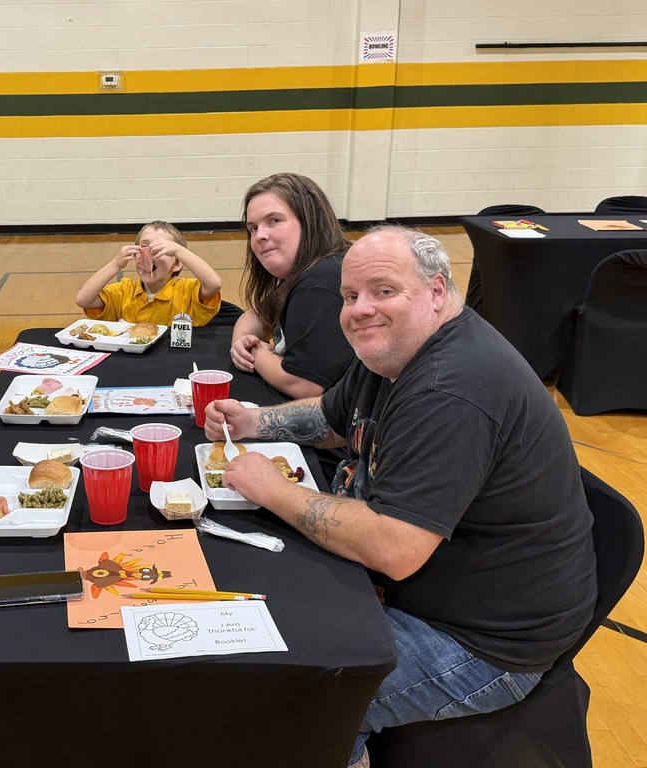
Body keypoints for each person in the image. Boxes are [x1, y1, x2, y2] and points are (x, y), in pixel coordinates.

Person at [205, 225, 596, 767]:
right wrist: (254, 421)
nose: (360, 309)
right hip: (421, 597)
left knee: (292, 700)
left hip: (482, 643)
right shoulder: (393, 352)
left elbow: (395, 547)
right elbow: (333, 418)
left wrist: (270, 488)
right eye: (349, 296)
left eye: (383, 291)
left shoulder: (452, 387)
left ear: (437, 291)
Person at [231, 172, 354, 400]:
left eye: (274, 221)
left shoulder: (321, 282)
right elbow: (256, 316)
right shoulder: (309, 270)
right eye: (253, 228)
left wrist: (256, 352)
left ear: (310, 222)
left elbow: (303, 385)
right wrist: (241, 342)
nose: (259, 236)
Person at [75, 220, 222, 326]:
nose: (149, 254)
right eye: (144, 246)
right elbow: (83, 299)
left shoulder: (187, 291)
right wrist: (115, 264)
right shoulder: (123, 291)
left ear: (177, 264)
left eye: (161, 249)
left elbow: (214, 284)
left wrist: (179, 250)